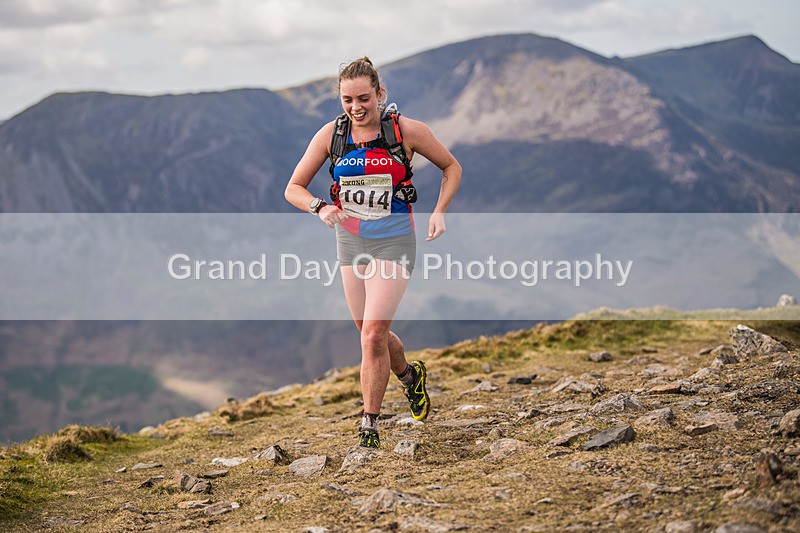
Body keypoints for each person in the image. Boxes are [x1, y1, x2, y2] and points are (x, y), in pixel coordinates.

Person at [284, 57, 461, 448]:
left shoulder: (406, 132)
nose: (356, 107)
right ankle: (410, 377)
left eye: (364, 98)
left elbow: (451, 167)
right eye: (347, 99)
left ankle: (369, 426)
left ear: (381, 94)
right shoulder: (331, 135)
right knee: (368, 333)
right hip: (350, 241)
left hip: (395, 239)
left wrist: (439, 212)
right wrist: (320, 207)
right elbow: (293, 187)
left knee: (373, 335)